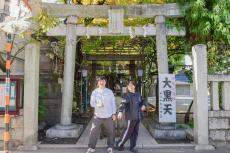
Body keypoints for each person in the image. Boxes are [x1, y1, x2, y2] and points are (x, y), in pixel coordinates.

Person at [86, 76, 117, 153]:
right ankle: (91, 147)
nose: (101, 82)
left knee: (111, 131)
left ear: (105, 82)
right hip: (98, 116)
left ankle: (110, 147)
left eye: (103, 81)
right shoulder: (95, 92)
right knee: (93, 131)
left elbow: (113, 103)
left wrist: (114, 113)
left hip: (108, 116)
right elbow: (91, 103)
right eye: (100, 81)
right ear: (98, 82)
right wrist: (97, 105)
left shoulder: (109, 92)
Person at [116, 80, 146, 153]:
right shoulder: (127, 95)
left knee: (135, 132)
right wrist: (120, 111)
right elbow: (122, 104)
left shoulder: (138, 94)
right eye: (128, 85)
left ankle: (132, 147)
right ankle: (119, 144)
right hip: (131, 117)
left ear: (134, 86)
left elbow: (143, 101)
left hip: (138, 116)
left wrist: (143, 105)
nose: (129, 86)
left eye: (130, 85)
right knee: (128, 132)